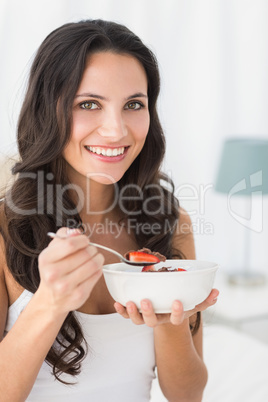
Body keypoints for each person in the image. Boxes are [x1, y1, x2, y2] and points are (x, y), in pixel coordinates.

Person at [0, 19, 219, 401]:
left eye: (134, 104)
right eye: (89, 104)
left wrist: (170, 324)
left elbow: (187, 395)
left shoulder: (171, 223)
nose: (116, 131)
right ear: (45, 111)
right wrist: (50, 301)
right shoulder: (5, 228)